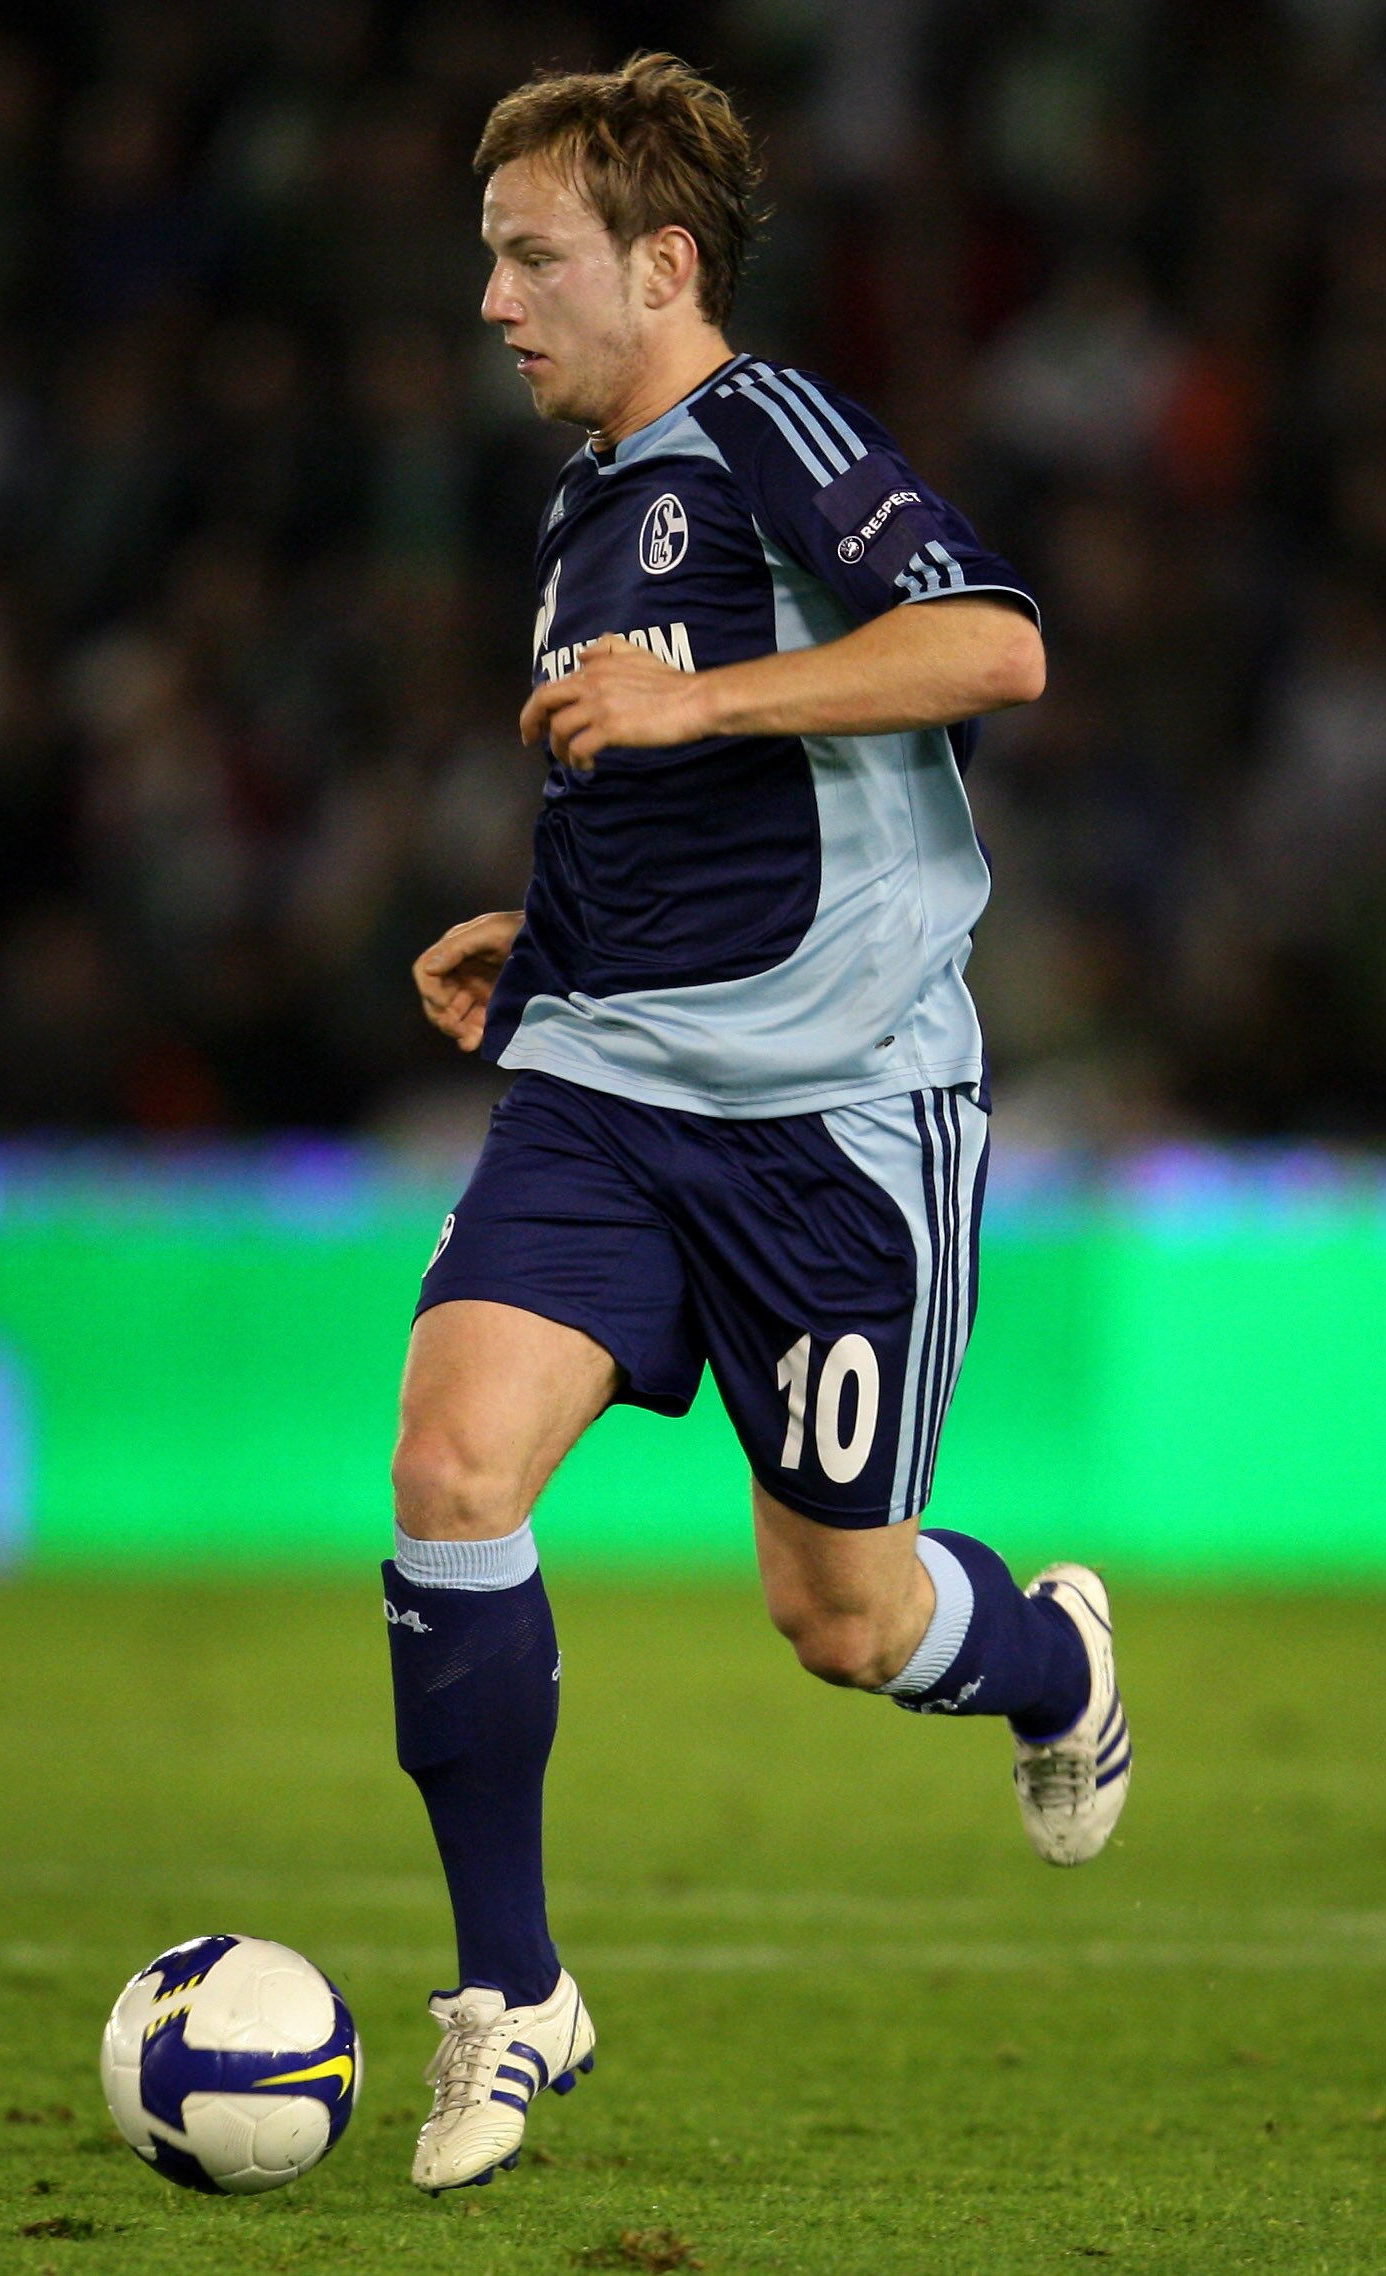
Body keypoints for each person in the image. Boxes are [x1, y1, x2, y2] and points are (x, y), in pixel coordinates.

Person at [386, 53, 1129, 2197]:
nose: (500, 298)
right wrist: (536, 953)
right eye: (492, 258)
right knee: (449, 1461)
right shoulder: (586, 502)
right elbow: (691, 801)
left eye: (535, 257)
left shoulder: (771, 432)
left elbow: (992, 648)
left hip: (838, 1127)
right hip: (606, 1094)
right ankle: (511, 1990)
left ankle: (1045, 1653)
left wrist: (690, 697)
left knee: (845, 1619)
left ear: (663, 263)